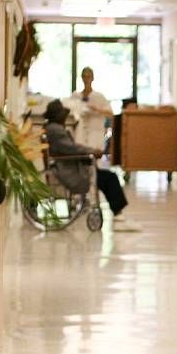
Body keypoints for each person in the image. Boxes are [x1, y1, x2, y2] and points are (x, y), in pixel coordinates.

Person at [42, 99, 140, 232]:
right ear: (58, 116)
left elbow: (71, 148)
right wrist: (92, 152)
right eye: (63, 115)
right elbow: (71, 149)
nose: (65, 117)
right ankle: (119, 217)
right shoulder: (56, 130)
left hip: (72, 166)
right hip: (70, 170)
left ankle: (119, 215)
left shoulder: (53, 128)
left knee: (106, 177)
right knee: (110, 178)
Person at [72, 66, 113, 152]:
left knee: (95, 157)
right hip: (80, 133)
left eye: (88, 76)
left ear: (92, 78)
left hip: (95, 133)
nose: (86, 79)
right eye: (84, 76)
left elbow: (110, 114)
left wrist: (96, 109)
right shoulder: (76, 96)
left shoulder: (99, 96)